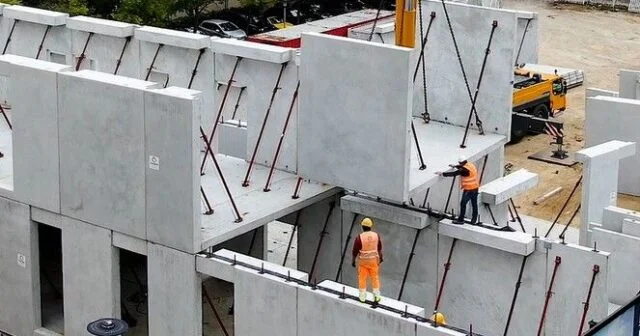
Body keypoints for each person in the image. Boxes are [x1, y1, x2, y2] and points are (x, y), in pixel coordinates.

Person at [436, 155, 480, 225]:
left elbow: (454, 173)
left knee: (463, 204)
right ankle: (474, 219)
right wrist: (455, 166)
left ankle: (460, 219)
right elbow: (463, 167)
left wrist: (442, 173)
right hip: (475, 188)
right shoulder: (470, 165)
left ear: (460, 162)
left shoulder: (464, 170)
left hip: (468, 190)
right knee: (474, 204)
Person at [351, 217, 383, 303]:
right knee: (375, 278)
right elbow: (379, 247)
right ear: (370, 226)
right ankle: (376, 296)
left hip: (363, 262)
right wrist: (381, 257)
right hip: (374, 261)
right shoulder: (376, 235)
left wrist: (353, 260)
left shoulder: (359, 238)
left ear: (362, 227)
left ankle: (362, 296)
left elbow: (355, 250)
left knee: (362, 278)